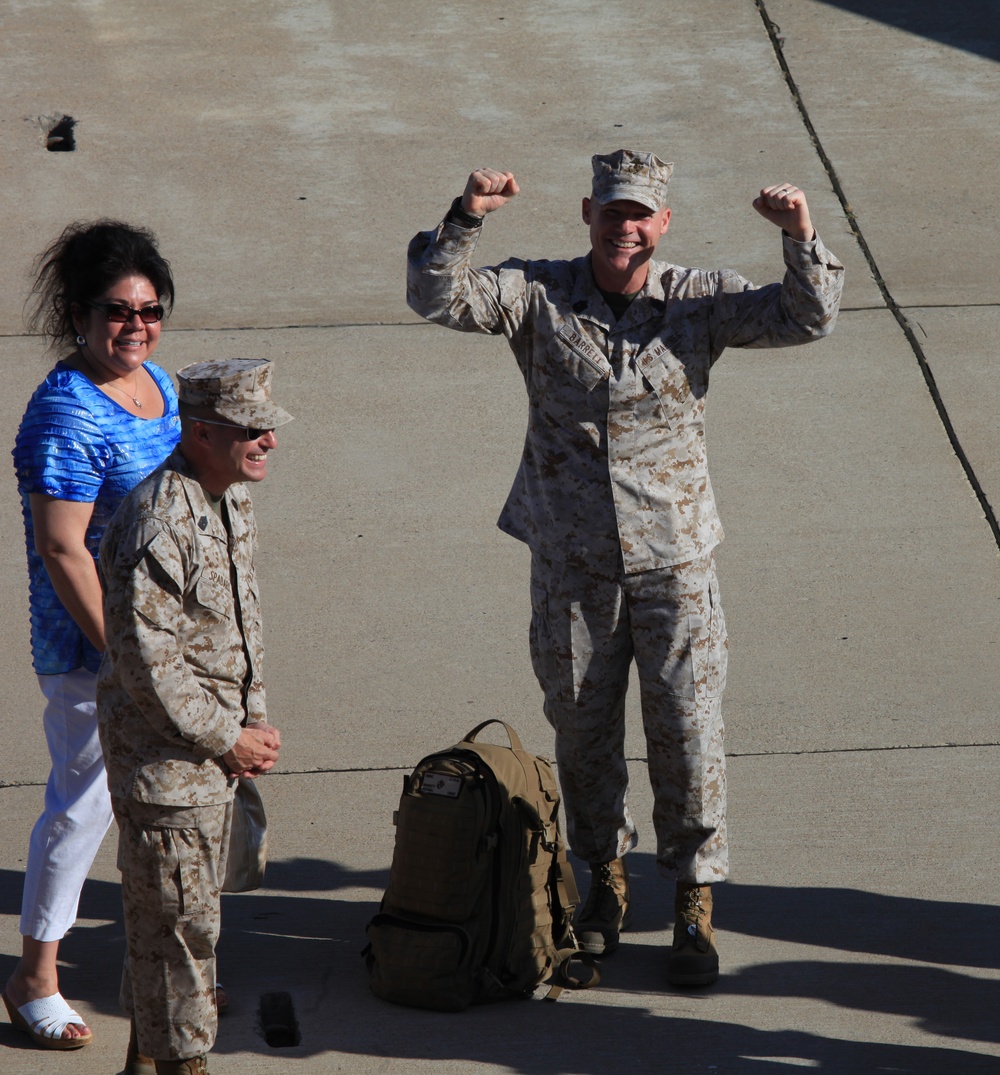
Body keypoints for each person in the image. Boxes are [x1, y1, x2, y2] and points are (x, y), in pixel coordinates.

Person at [407, 150, 844, 987]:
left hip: (675, 559)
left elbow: (806, 317)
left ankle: (692, 896)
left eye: (641, 213)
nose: (626, 227)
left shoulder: (698, 300)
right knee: (583, 728)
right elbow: (436, 295)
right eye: (613, 211)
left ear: (664, 222)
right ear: (587, 213)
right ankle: (603, 882)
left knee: (687, 726)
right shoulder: (537, 293)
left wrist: (800, 235)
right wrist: (466, 216)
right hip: (573, 564)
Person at [4, 221, 179, 1049]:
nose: (135, 326)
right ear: (79, 314)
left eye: (150, 309)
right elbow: (61, 546)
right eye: (117, 311)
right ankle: (35, 974)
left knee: (167, 801)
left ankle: (163, 957)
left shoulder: (157, 386)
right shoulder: (66, 413)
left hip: (167, 636)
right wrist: (122, 652)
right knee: (82, 804)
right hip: (94, 648)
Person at [97, 358, 289, 1075]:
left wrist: (254, 720)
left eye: (270, 426)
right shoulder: (160, 521)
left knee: (164, 926)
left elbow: (239, 623)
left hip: (209, 761)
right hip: (166, 767)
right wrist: (228, 736)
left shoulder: (226, 494)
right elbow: (149, 662)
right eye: (252, 428)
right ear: (200, 432)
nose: (268, 440)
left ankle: (144, 1059)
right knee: (183, 935)